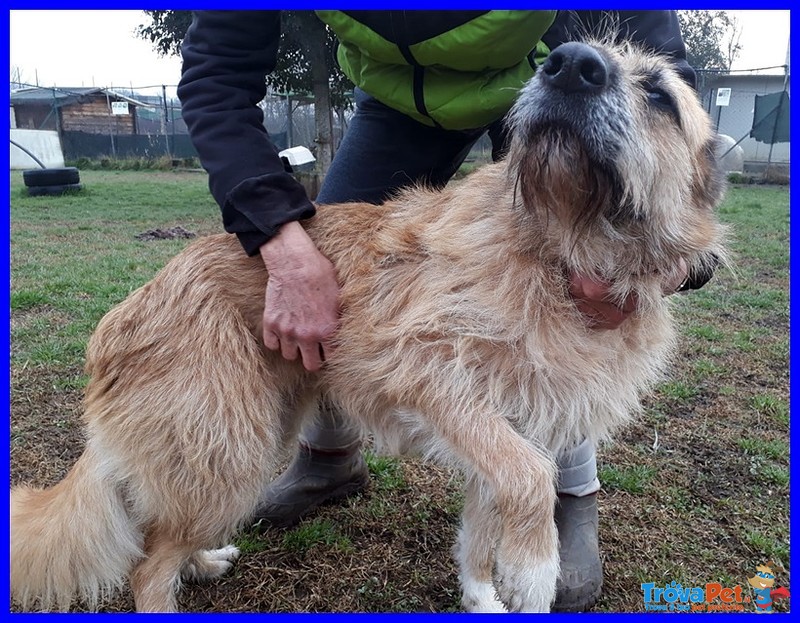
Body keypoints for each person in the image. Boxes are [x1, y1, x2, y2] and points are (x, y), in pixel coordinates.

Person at [178, 10, 709, 611]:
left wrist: (667, 262)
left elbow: (672, 111)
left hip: (541, 72)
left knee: (582, 289)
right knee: (345, 261)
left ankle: (570, 494)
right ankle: (329, 458)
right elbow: (215, 73)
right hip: (395, 99)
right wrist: (282, 242)